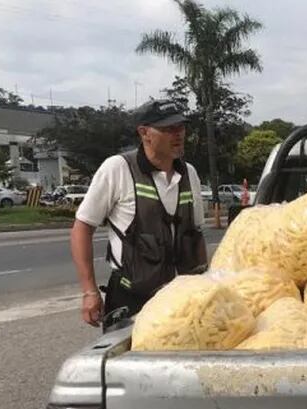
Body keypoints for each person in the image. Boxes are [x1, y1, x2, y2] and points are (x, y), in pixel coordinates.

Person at [70, 99, 208, 329]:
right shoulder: (118, 168)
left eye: (181, 127)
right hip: (132, 299)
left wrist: (206, 283)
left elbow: (196, 233)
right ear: (144, 133)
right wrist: (89, 292)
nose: (178, 134)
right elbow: (82, 228)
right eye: (167, 129)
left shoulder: (189, 173)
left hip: (184, 302)